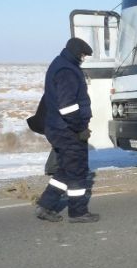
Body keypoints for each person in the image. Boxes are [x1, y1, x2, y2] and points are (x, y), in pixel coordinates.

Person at [35, 38, 99, 222]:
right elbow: (68, 107)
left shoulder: (61, 64)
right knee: (78, 170)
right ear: (76, 53)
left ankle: (45, 206)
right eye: (83, 55)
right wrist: (80, 129)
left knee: (66, 168)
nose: (84, 58)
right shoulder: (67, 71)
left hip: (59, 128)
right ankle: (78, 213)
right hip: (67, 130)